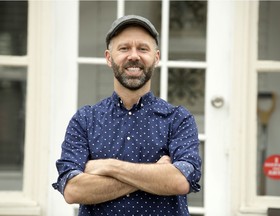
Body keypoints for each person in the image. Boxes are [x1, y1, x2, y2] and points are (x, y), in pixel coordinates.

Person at [53, 14, 202, 216]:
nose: (134, 56)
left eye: (142, 48)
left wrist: (108, 166)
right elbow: (72, 190)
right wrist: (155, 174)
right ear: (108, 57)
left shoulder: (178, 119)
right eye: (124, 48)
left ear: (156, 57)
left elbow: (180, 181)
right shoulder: (85, 120)